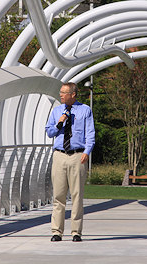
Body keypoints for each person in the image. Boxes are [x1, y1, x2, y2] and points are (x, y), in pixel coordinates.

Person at [45, 82, 95, 242]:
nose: (60, 95)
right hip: (59, 155)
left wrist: (87, 152)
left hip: (77, 156)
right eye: (60, 92)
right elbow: (49, 132)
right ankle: (56, 231)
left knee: (77, 196)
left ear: (73, 94)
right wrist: (59, 123)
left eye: (64, 92)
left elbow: (90, 134)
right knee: (58, 196)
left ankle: (76, 232)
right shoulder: (56, 111)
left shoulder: (85, 110)